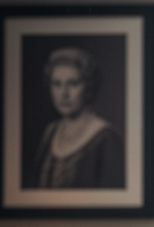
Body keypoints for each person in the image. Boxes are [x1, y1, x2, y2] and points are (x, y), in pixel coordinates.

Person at [31, 47, 124, 189]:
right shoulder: (50, 132)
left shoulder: (105, 137)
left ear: (88, 86)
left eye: (73, 83)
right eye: (57, 84)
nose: (64, 93)